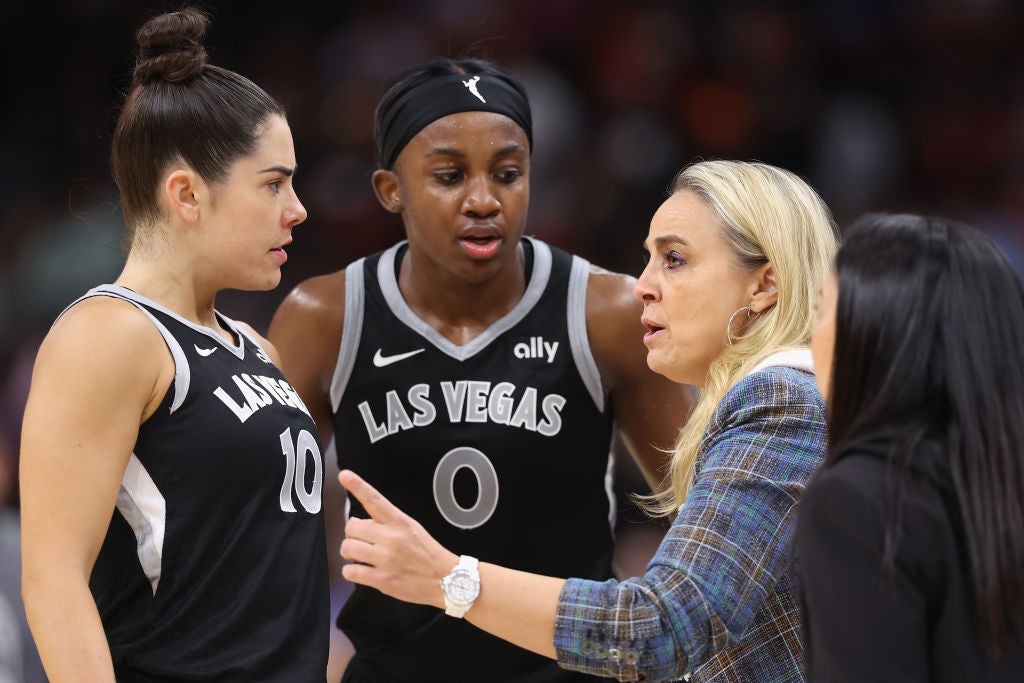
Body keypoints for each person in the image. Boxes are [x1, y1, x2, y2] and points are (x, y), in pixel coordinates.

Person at [267, 57, 694, 682]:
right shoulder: (324, 317)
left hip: (571, 670)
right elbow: (264, 528)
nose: (483, 200)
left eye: (508, 174)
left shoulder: (605, 310)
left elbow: (704, 513)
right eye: (448, 176)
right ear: (391, 189)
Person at [334, 159, 839, 682]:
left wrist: (450, 578)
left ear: (764, 286)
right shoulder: (779, 400)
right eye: (649, 260)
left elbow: (660, 630)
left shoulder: (781, 401)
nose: (643, 285)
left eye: (675, 259)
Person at [18, 8, 329, 681]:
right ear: (187, 193)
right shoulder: (108, 334)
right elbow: (52, 578)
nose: (297, 208)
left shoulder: (255, 347)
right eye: (274, 183)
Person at [798, 213, 1024, 681]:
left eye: (822, 311)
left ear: (871, 336)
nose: (811, 337)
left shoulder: (853, 501)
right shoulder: (998, 479)